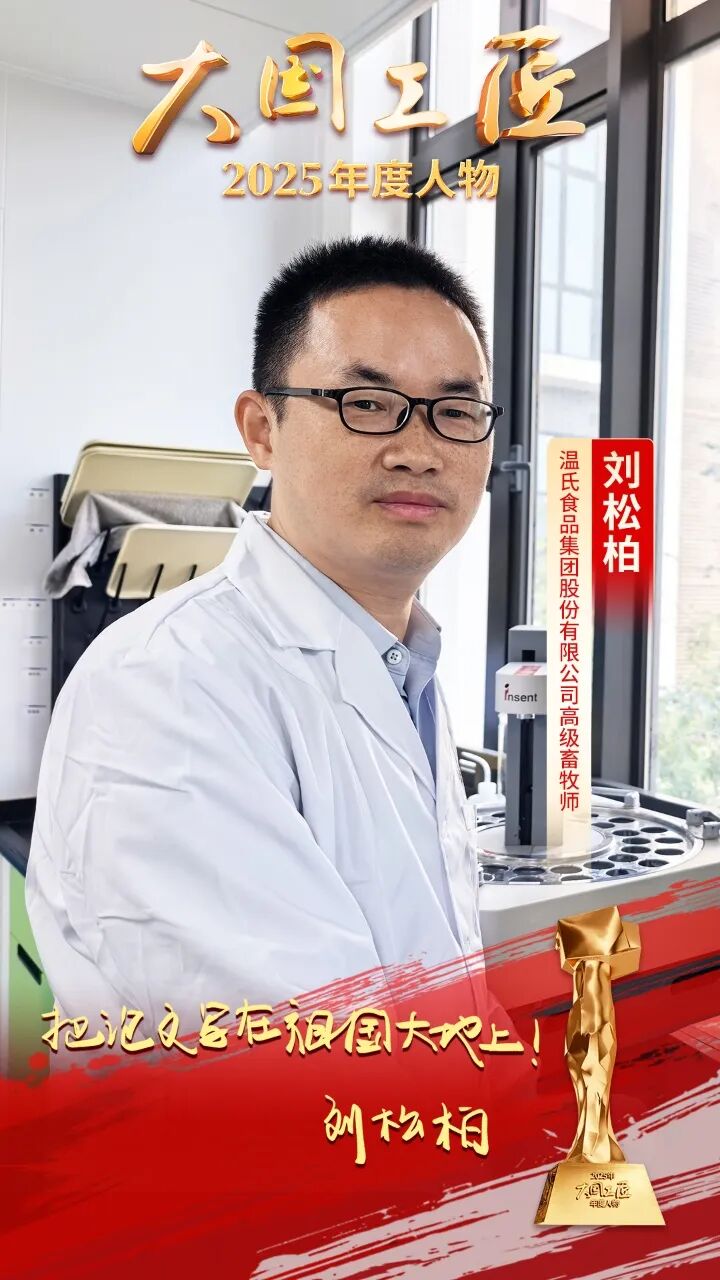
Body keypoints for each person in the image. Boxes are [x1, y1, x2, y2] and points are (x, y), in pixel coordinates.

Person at [26, 235, 501, 1027]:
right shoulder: (164, 687)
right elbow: (300, 1061)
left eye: (456, 411)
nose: (419, 451)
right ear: (262, 429)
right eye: (367, 403)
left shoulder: (401, 665)